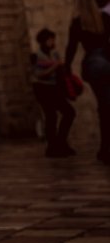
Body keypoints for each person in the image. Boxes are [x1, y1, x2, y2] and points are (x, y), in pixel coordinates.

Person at [66, 0, 110, 164]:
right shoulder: (105, 18)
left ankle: (106, 150)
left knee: (104, 107)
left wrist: (67, 69)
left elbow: (71, 48)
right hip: (107, 62)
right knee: (107, 106)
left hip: (93, 65)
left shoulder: (77, 22)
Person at [30, 28, 76, 158]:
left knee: (69, 112)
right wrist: (55, 66)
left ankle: (61, 142)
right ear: (43, 41)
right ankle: (52, 147)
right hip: (42, 88)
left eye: (53, 39)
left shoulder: (54, 54)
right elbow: (38, 74)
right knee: (51, 116)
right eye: (50, 40)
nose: (52, 42)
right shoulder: (36, 56)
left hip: (55, 88)